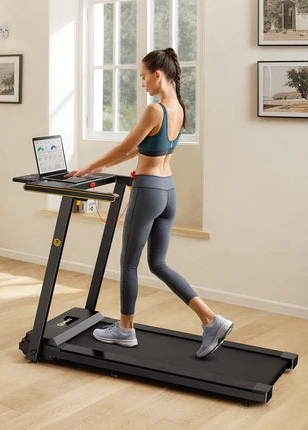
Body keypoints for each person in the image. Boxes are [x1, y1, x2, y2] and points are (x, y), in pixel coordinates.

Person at [64, 48, 233, 358]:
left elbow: (125, 147)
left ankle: (125, 330)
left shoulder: (155, 110)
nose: (141, 83)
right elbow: (138, 149)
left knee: (129, 263)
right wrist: (101, 165)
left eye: (143, 77)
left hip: (148, 190)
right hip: (167, 191)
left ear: (158, 75)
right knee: (157, 264)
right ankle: (211, 319)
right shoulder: (178, 107)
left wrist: (90, 168)